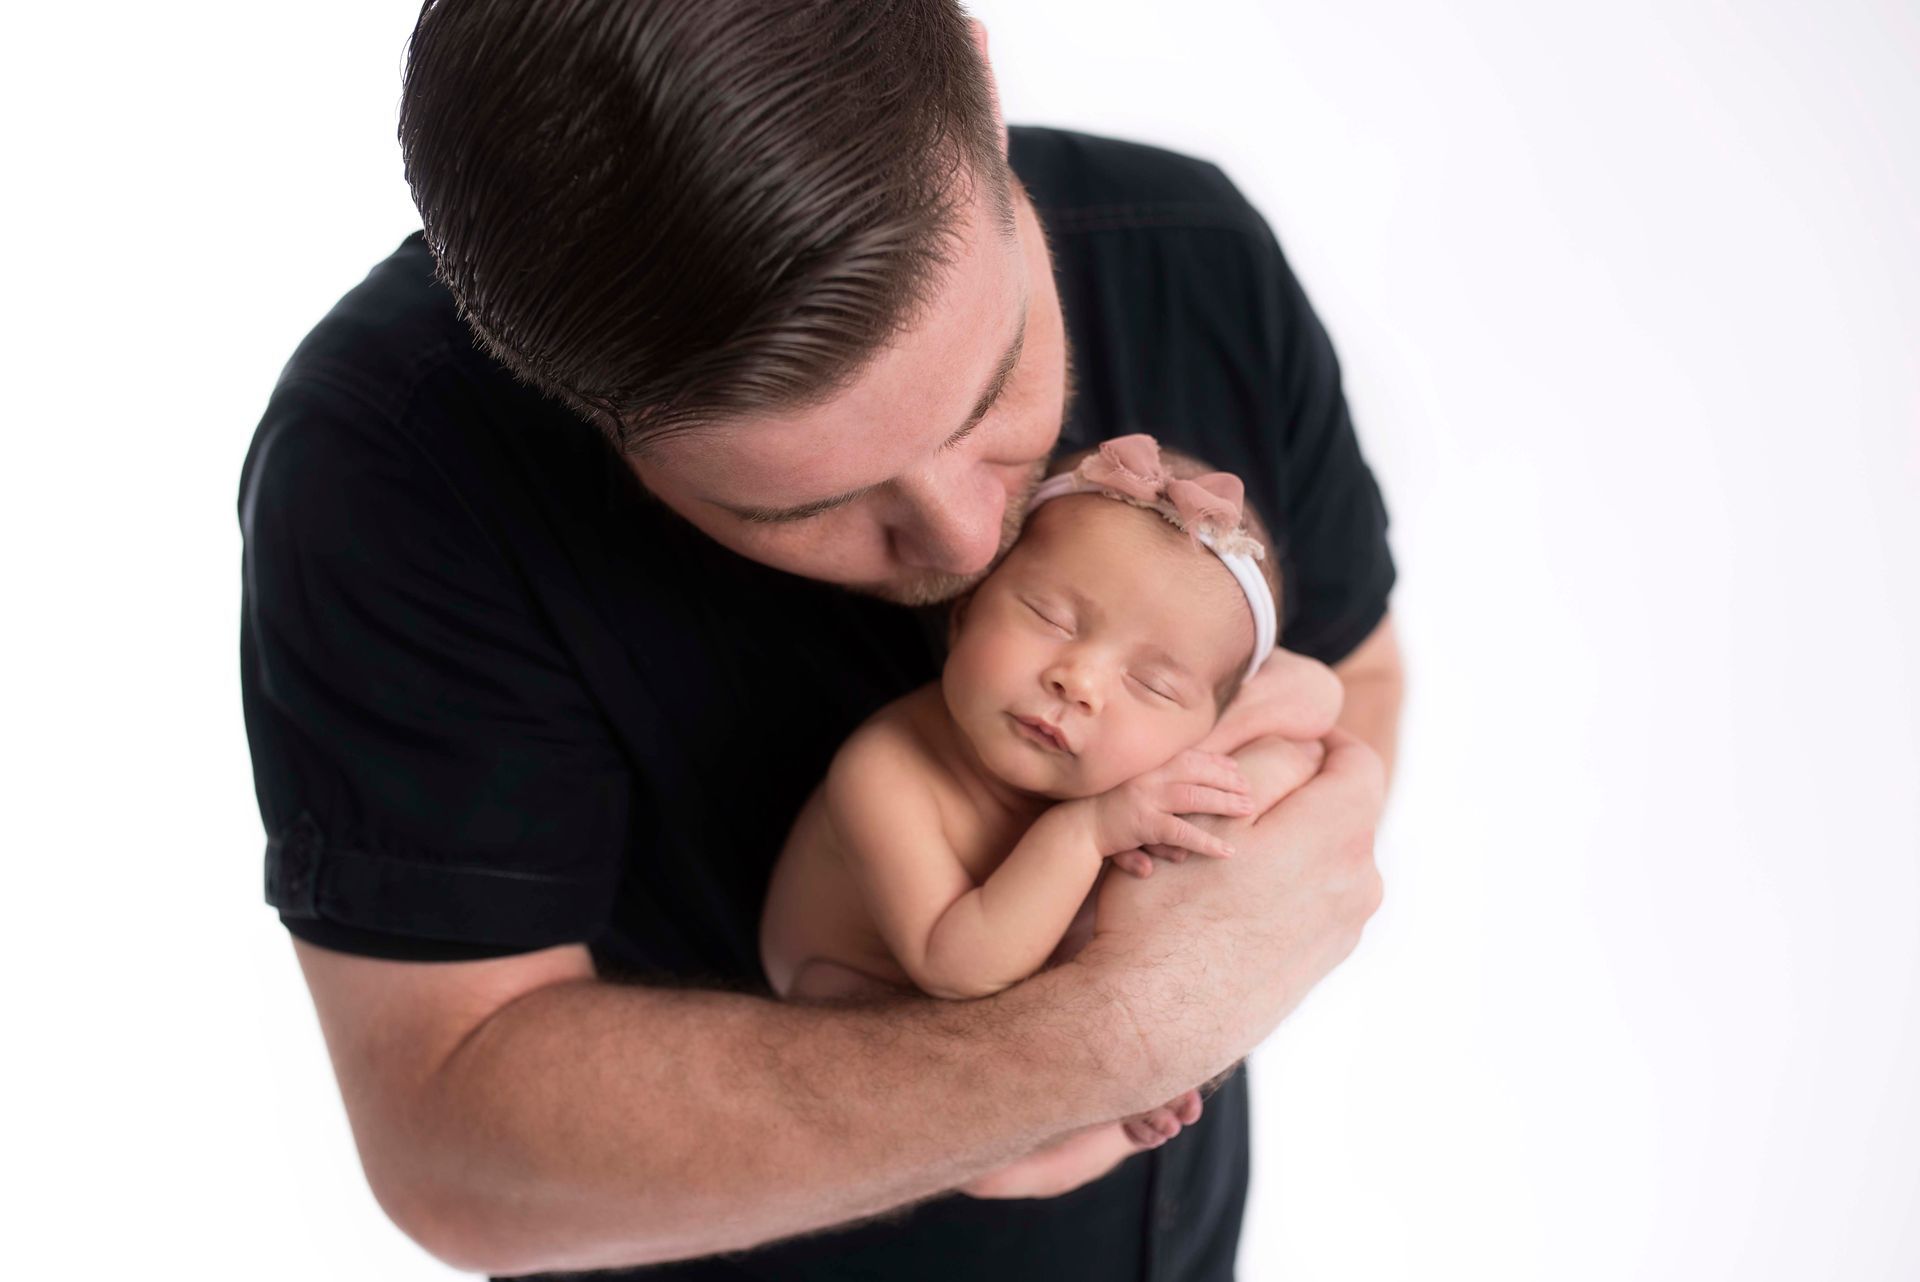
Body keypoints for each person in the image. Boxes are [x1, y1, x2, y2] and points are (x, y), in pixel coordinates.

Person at [237, 2, 1402, 1278]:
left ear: (979, 76)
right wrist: (1092, 1044)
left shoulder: (1192, 256)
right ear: (570, 405)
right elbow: (448, 1146)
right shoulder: (389, 474)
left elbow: (1354, 671)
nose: (968, 547)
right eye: (809, 506)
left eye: (997, 379)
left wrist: (1238, 851)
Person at [761, 436, 1343, 1195]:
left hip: (1029, 994)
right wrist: (1088, 829)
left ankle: (1113, 1111)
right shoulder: (888, 769)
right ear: (964, 611)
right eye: (1051, 617)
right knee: (969, 1154)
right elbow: (957, 966)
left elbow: (1314, 696)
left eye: (1155, 686)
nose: (1079, 681)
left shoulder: (1151, 761)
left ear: (1203, 723)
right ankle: (1088, 1116)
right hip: (867, 995)